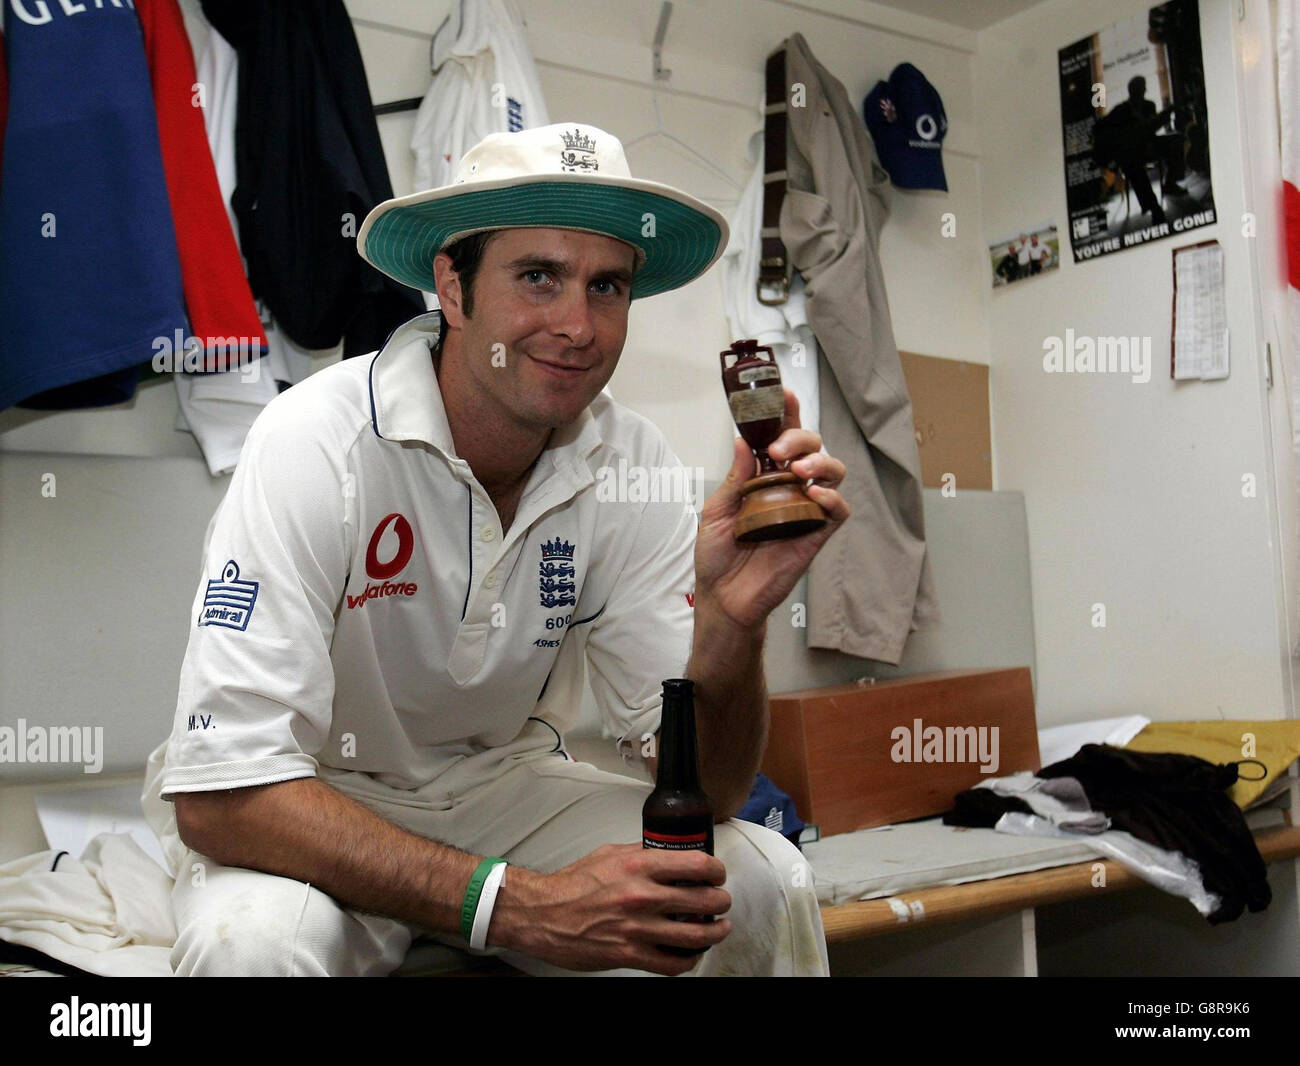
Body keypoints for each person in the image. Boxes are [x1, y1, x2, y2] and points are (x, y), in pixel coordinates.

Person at [141, 123, 849, 977]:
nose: (578, 326)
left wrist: (734, 624)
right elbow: (221, 800)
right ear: (452, 285)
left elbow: (712, 794)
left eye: (608, 285)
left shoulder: (631, 466)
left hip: (500, 791)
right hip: (314, 793)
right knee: (249, 946)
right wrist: (517, 907)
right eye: (539, 277)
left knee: (754, 880)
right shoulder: (316, 439)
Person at [1097, 75, 1167, 225]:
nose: (1143, 91)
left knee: (1177, 139)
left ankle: (1172, 183)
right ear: (1132, 91)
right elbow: (1101, 126)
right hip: (1131, 152)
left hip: (1149, 146)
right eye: (1140, 89)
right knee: (1131, 164)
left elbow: (1153, 127)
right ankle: (1154, 207)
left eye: (1143, 88)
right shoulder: (1121, 110)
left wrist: (1160, 120)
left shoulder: (1150, 105)